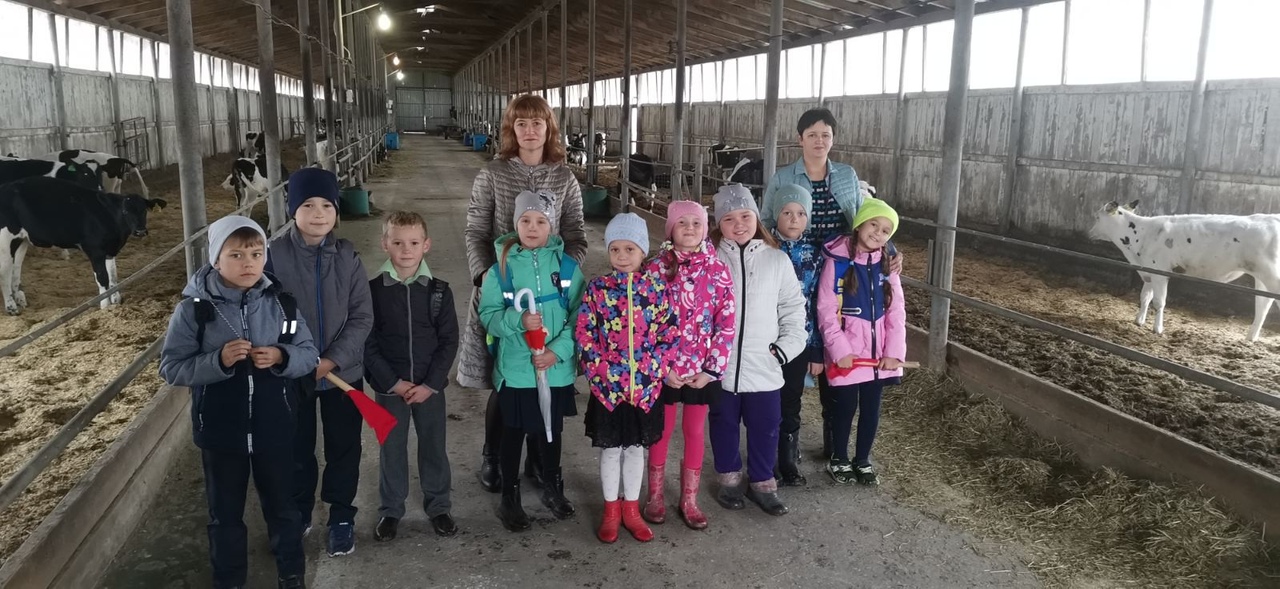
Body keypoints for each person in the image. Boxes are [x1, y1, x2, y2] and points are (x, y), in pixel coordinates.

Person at [159, 215, 318, 589]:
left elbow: (309, 354)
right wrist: (217, 361)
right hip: (220, 433)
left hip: (274, 427)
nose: (248, 263)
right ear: (216, 259)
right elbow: (171, 368)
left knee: (283, 507)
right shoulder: (194, 311)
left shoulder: (282, 305)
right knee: (225, 515)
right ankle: (229, 580)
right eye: (236, 255)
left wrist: (281, 356)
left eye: (256, 253)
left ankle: (291, 574)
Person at [462, 94, 588, 495]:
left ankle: (538, 458)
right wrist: (486, 276)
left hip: (550, 299)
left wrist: (562, 275)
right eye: (521, 123)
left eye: (537, 123)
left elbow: (576, 233)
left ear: (549, 129)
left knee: (544, 376)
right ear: (511, 130)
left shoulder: (564, 178)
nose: (530, 131)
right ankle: (493, 454)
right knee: (507, 380)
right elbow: (475, 230)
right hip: (505, 292)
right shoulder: (493, 175)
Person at [760, 107, 902, 461]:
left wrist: (889, 249)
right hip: (797, 270)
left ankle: (833, 442)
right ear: (800, 139)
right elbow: (766, 220)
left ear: (833, 139)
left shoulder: (847, 175)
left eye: (825, 135)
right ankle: (786, 444)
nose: (819, 141)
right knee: (796, 345)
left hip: (841, 272)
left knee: (834, 345)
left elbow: (866, 218)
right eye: (812, 135)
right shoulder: (783, 177)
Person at [269, 167, 374, 557]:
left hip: (343, 372)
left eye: (327, 205)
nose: (318, 214)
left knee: (344, 446)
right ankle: (299, 511)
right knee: (295, 445)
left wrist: (331, 359)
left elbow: (362, 316)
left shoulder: (348, 257)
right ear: (292, 209)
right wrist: (294, 359)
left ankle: (341, 515)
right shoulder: (273, 256)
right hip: (291, 373)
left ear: (336, 210)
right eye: (308, 205)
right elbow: (263, 313)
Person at [478, 190, 586, 532]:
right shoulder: (501, 270)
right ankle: (509, 496)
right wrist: (518, 320)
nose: (532, 227)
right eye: (525, 220)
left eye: (541, 221)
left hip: (555, 369)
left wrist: (558, 351)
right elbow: (488, 316)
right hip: (517, 370)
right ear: (515, 224)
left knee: (551, 430)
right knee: (513, 431)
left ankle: (553, 485)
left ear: (551, 226)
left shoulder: (567, 268)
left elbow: (580, 317)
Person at [577, 213, 676, 543]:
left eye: (629, 249)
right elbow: (585, 333)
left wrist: (654, 369)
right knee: (610, 450)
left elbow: (668, 333)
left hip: (644, 390)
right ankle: (611, 511)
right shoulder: (598, 290)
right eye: (615, 249)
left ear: (643, 251)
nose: (621, 256)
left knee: (635, 450)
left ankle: (631, 509)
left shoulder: (657, 290)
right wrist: (599, 370)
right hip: (608, 390)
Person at [709, 184, 807, 516]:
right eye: (729, 218)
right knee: (723, 422)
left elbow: (793, 310)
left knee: (766, 425)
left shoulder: (777, 260)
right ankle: (728, 479)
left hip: (764, 363)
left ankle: (763, 482)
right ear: (719, 224)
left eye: (745, 216)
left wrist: (783, 350)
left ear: (757, 218)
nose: (739, 224)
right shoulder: (709, 260)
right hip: (721, 366)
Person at [364, 211, 460, 542]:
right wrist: (393, 382)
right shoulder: (372, 291)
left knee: (433, 445)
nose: (406, 250)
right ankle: (391, 510)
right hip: (389, 389)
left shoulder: (439, 291)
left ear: (426, 245)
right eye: (398, 243)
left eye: (414, 243)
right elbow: (368, 342)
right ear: (385, 244)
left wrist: (431, 384)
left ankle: (439, 506)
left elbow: (449, 341)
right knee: (391, 448)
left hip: (429, 389)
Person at [641, 200, 736, 530]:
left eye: (696, 223)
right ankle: (654, 495)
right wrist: (661, 368)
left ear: (705, 228)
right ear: (670, 229)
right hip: (666, 373)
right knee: (662, 431)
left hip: (700, 372)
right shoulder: (655, 269)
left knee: (695, 431)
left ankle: (689, 499)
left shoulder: (718, 270)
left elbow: (726, 322)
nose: (690, 228)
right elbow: (645, 322)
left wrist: (711, 370)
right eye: (682, 223)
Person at [816, 198, 906, 486]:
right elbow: (826, 310)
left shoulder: (888, 265)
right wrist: (839, 351)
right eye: (873, 224)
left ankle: (863, 460)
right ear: (859, 224)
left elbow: (896, 312)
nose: (878, 233)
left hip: (878, 358)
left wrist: (894, 353)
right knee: (844, 408)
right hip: (848, 356)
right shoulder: (837, 262)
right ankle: (839, 458)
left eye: (885, 230)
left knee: (871, 409)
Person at [769, 184, 823, 487]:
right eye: (787, 212)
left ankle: (788, 458)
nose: (794, 219)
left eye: (801, 213)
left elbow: (816, 304)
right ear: (776, 215)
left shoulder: (815, 255)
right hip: (765, 338)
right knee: (766, 400)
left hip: (798, 340)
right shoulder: (764, 249)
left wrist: (816, 349)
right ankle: (766, 457)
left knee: (791, 399)